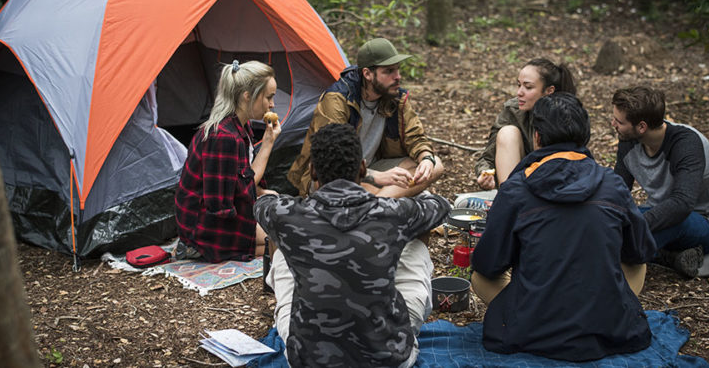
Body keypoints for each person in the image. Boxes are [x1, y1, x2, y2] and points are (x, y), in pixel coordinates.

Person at [471, 92, 656, 362]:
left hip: (532, 328)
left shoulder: (516, 189)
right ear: (585, 137)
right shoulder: (613, 184)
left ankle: (527, 315)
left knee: (479, 275)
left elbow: (488, 264)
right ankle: (605, 312)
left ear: (537, 137)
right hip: (611, 328)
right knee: (637, 263)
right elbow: (641, 251)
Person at [255, 124, 450, 367]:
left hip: (308, 360)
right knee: (417, 245)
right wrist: (375, 184)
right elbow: (440, 206)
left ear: (313, 171)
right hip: (389, 359)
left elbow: (263, 203)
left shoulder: (287, 215)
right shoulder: (392, 214)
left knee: (283, 251)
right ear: (362, 168)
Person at [287, 37, 444, 199]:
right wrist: (374, 177)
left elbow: (415, 137)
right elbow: (331, 159)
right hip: (335, 175)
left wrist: (425, 158)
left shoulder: (395, 97)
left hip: (371, 167)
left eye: (397, 69)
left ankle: (378, 201)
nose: (397, 77)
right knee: (364, 187)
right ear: (367, 74)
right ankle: (384, 201)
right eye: (389, 71)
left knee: (435, 165)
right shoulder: (337, 100)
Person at [174, 60, 280, 262]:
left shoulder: (240, 126)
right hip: (205, 224)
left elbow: (240, 178)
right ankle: (193, 248)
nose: (272, 105)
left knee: (281, 231)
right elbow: (222, 203)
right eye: (269, 97)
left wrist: (262, 192)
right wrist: (267, 144)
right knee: (280, 242)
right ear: (248, 96)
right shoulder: (223, 137)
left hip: (220, 213)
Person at [612, 86, 709, 277]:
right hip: (658, 214)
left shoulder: (686, 143)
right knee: (615, 220)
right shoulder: (628, 140)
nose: (613, 124)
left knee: (633, 235)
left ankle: (634, 254)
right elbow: (618, 190)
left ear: (642, 127)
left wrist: (634, 225)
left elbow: (682, 204)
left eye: (619, 121)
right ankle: (669, 257)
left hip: (700, 222)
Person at [475, 58, 576, 189]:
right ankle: (510, 199)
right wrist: (485, 174)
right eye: (519, 85)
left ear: (549, 91)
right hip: (520, 184)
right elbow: (487, 158)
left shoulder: (567, 115)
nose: (519, 93)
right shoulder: (513, 110)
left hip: (558, 185)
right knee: (508, 133)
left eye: (528, 87)